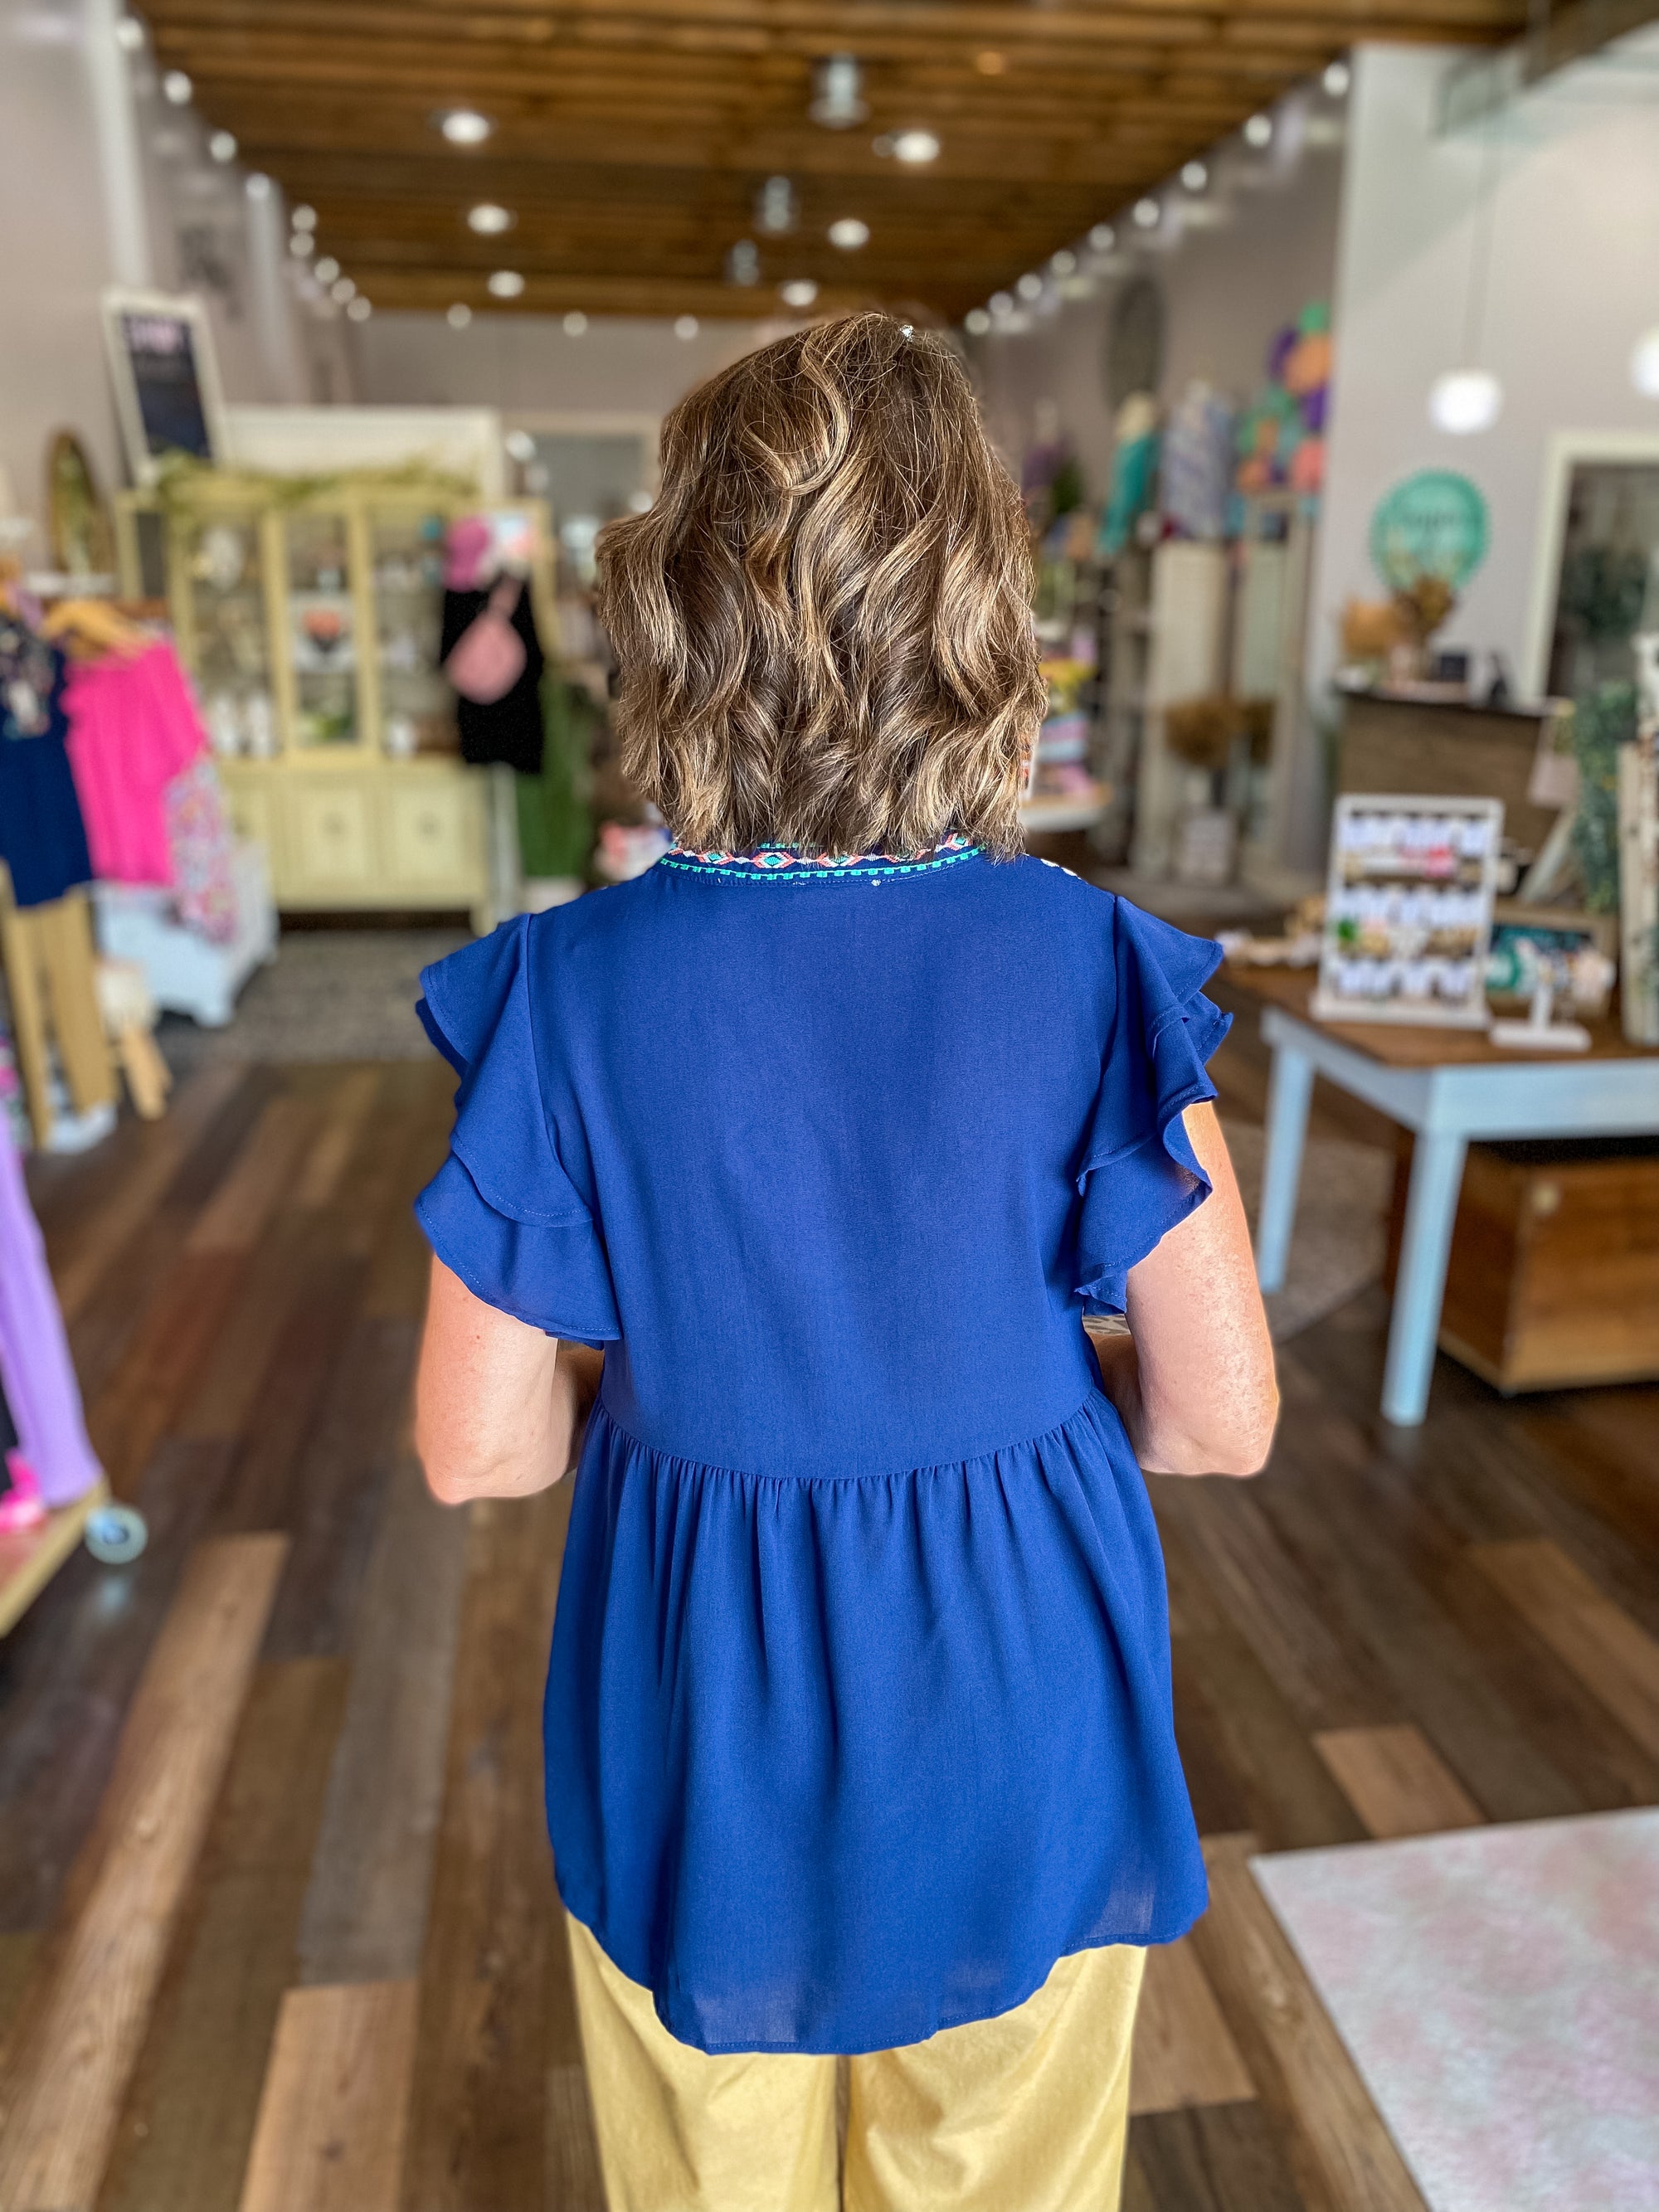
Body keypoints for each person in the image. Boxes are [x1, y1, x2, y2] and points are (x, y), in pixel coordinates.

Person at [412, 314, 1277, 2212]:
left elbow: (478, 1450)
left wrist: (667, 1354)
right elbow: (1219, 1421)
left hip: (694, 1697)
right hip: (1011, 1683)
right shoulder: (1088, 962)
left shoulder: (566, 992)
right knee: (999, 2169)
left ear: (671, 617)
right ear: (981, 617)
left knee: (712, 2168)